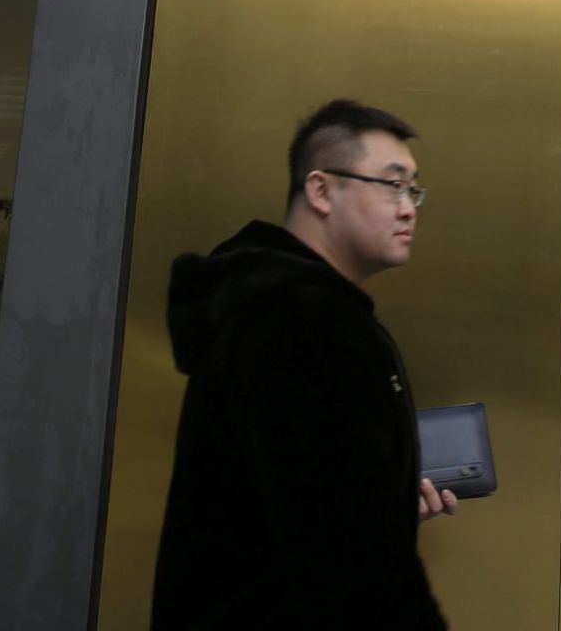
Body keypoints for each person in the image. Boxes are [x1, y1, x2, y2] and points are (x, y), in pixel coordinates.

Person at [152, 99, 456, 629]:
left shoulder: (270, 309)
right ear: (321, 190)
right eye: (392, 185)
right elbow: (348, 563)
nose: (409, 208)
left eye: (414, 190)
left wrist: (386, 496)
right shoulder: (307, 324)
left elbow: (295, 504)